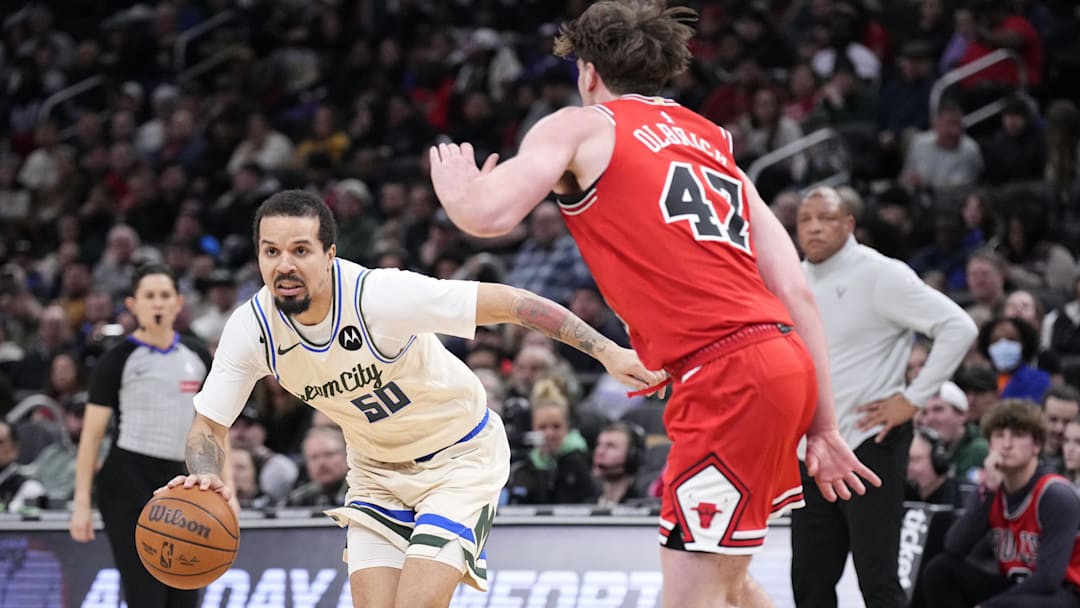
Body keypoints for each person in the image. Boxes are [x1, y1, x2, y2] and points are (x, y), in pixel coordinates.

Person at [428, 3, 881, 605]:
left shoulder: (579, 126)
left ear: (587, 71)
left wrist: (459, 192)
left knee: (693, 594)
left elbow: (488, 216)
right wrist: (823, 424)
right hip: (780, 362)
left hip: (726, 376)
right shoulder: (712, 139)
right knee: (731, 581)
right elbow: (795, 287)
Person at [159, 190, 664, 608]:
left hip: (460, 458)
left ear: (330, 254)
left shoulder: (379, 297)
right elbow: (208, 427)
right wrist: (205, 471)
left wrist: (606, 350)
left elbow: (511, 303)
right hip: (376, 473)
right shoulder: (251, 329)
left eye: (300, 250)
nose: (284, 265)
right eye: (271, 252)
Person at [793, 186, 977, 608]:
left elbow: (958, 326)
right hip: (811, 451)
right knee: (809, 584)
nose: (815, 227)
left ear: (849, 224)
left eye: (826, 217)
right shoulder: (792, 279)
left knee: (877, 581)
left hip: (869, 442)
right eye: (805, 220)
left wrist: (913, 399)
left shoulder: (880, 274)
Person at [69, 264, 213, 608]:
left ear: (179, 302)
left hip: (181, 482)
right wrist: (81, 505)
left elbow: (212, 429)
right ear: (133, 304)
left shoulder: (197, 356)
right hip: (126, 483)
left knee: (185, 595)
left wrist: (227, 489)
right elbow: (91, 437)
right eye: (149, 296)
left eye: (165, 296)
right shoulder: (117, 360)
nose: (158, 303)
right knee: (145, 595)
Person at [921, 399, 1080, 607]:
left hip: (1063, 594)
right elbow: (954, 546)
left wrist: (989, 606)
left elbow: (1048, 579)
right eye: (999, 435)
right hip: (1015, 587)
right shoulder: (993, 489)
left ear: (1037, 445)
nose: (1006, 444)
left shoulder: (1055, 494)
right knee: (940, 570)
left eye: (1017, 435)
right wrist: (987, 490)